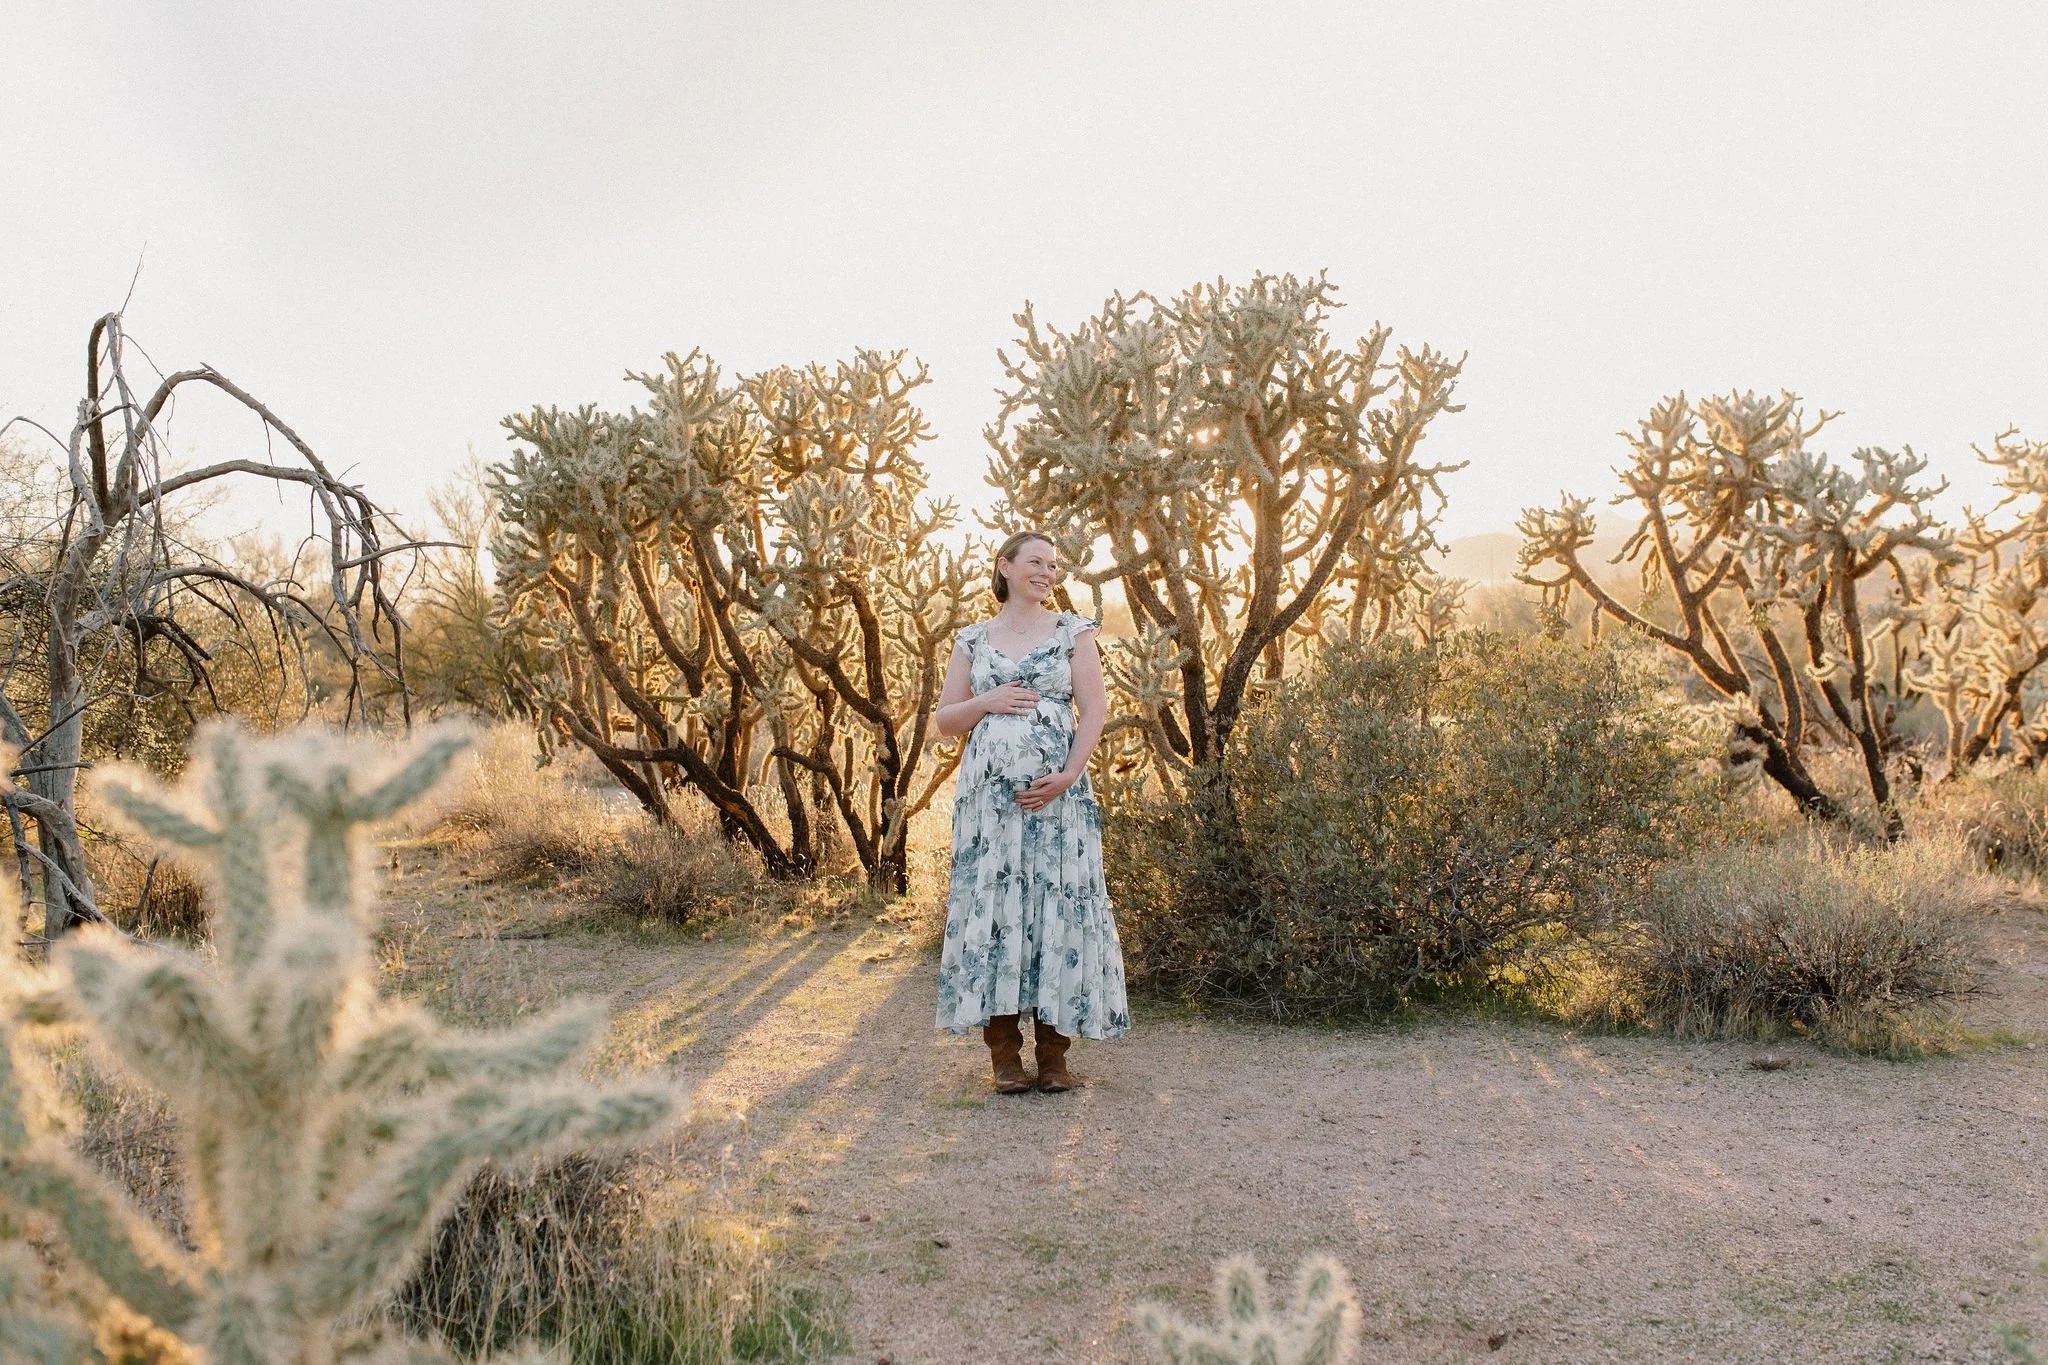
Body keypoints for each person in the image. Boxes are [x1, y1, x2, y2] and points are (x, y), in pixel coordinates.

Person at [931, 531, 1131, 1093]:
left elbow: (1092, 710)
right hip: (989, 806)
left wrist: (1068, 774)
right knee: (996, 911)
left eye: (1053, 565)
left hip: (1059, 800)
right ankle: (1003, 1056)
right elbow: (946, 721)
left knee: (1055, 910)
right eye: (1036, 562)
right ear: (1006, 567)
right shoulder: (972, 638)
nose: (1047, 572)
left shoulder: (1073, 632)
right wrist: (987, 701)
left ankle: (1054, 1056)